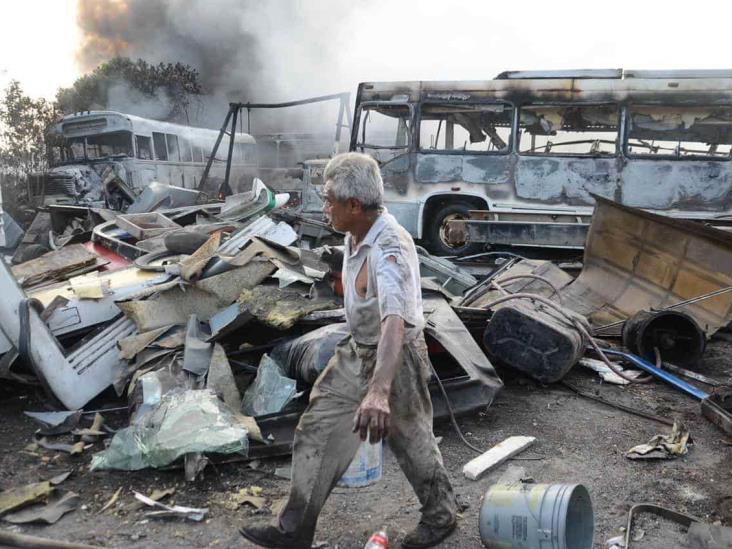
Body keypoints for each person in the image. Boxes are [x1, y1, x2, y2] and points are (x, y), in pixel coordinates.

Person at [240, 152, 457, 549]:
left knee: (411, 440)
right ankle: (294, 530)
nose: (325, 209)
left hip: (397, 356)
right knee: (317, 428)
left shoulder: (389, 246)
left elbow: (395, 320)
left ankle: (441, 517)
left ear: (354, 205)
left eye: (329, 201)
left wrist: (378, 391)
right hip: (358, 350)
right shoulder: (354, 234)